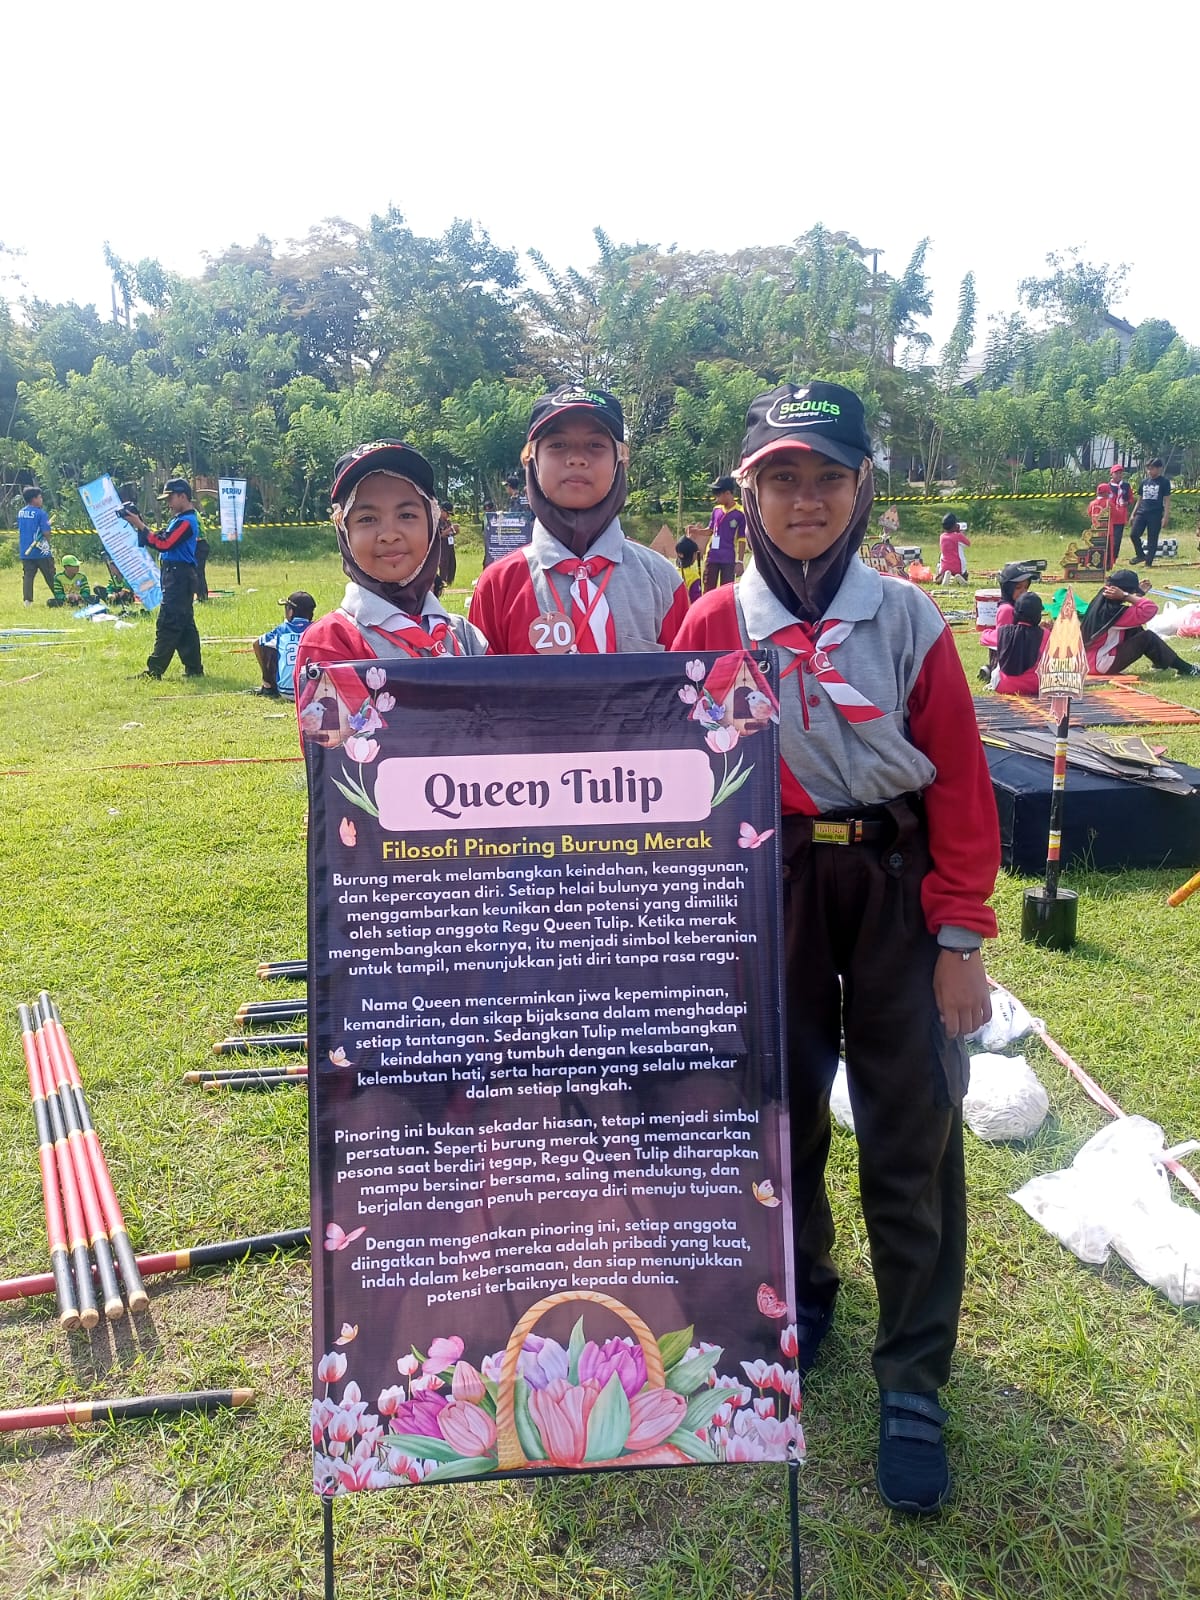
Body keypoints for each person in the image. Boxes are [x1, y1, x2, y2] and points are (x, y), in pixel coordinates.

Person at [673, 379, 999, 1517]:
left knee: (912, 1124)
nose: (804, 500)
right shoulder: (711, 624)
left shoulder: (906, 617)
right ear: (747, 493)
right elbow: (681, 781)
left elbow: (960, 784)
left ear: (863, 487)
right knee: (779, 1108)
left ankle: (913, 1372)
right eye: (782, 479)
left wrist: (960, 935)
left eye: (827, 477)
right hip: (773, 885)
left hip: (897, 882)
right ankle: (800, 1294)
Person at [468, 385, 687, 655]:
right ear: (532, 461)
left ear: (620, 461)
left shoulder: (662, 581)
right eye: (557, 445)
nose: (576, 459)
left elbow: (686, 678)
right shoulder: (498, 585)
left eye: (596, 445)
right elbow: (480, 681)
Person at [295, 440, 487, 684]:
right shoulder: (330, 642)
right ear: (344, 530)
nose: (389, 534)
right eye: (367, 518)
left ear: (431, 522)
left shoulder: (466, 638)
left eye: (406, 515)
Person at [123, 477, 204, 680]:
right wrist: (140, 525)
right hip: (175, 575)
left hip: (179, 577)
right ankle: (194, 669)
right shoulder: (178, 519)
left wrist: (140, 524)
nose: (168, 504)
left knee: (168, 622)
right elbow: (160, 539)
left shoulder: (186, 522)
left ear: (182, 496)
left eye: (170, 498)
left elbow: (164, 544)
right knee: (184, 624)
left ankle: (155, 670)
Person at [1080, 568, 1199, 677]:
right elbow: (1150, 609)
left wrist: (1135, 595)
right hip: (1098, 664)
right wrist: (1126, 596)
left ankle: (1160, 662)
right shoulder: (1114, 613)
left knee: (1135, 629)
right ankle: (1186, 669)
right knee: (1148, 637)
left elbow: (1134, 612)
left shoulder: (1102, 602)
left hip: (1088, 660)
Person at [978, 560, 1040, 682]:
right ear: (1008, 588)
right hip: (1011, 663)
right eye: (1018, 587)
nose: (1023, 591)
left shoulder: (1020, 607)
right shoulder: (1007, 610)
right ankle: (992, 669)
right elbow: (1004, 640)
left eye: (1026, 587)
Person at [254, 591, 316, 697]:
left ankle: (268, 685)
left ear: (290, 611)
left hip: (285, 691)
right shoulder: (316, 629)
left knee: (270, 647)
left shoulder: (282, 630)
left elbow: (256, 643)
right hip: (310, 692)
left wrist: (266, 674)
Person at [690, 476, 746, 592]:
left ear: (727, 493)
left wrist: (740, 562)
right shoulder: (716, 510)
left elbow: (741, 539)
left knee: (726, 591)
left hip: (728, 559)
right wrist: (696, 531)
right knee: (708, 589)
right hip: (712, 557)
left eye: (718, 495)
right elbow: (710, 530)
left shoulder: (740, 513)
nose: (716, 498)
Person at [994, 592, 1048, 695]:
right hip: (1035, 687)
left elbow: (983, 638)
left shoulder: (1003, 632)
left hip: (1004, 686)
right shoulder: (1045, 634)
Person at [1129, 460, 1172, 567]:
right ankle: (1140, 555)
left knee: (1152, 538)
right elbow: (1139, 499)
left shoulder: (1164, 482)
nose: (1149, 471)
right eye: (1148, 469)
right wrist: (1133, 514)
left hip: (1155, 514)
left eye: (1152, 469)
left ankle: (1148, 562)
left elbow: (1167, 500)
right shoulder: (1144, 482)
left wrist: (1166, 516)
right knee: (1133, 534)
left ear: (1159, 469)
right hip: (1142, 512)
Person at [18, 486, 55, 605]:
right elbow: (46, 532)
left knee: (28, 576)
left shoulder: (21, 512)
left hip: (25, 550)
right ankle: (60, 596)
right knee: (50, 574)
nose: (41, 499)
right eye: (40, 497)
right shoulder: (41, 513)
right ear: (34, 499)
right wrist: (49, 542)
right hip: (41, 551)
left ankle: (27, 601)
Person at [1107, 463, 1133, 562]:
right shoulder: (1108, 487)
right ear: (1112, 474)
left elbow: (1131, 498)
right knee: (1108, 539)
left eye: (1120, 473)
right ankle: (1107, 557)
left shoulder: (1126, 486)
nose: (1118, 475)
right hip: (1110, 517)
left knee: (1117, 540)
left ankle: (1114, 558)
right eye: (1116, 473)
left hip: (1121, 516)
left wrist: (1127, 503)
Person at [935, 513, 970, 585]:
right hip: (958, 567)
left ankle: (944, 577)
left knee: (940, 574)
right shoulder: (958, 536)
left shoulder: (942, 536)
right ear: (954, 526)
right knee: (964, 574)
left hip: (945, 566)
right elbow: (968, 543)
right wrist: (959, 532)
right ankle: (960, 578)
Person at [434, 504, 458, 597]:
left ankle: (446, 582)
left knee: (450, 565)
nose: (448, 516)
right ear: (442, 511)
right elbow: (438, 535)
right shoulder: (436, 521)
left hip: (449, 547)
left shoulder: (447, 522)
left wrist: (455, 531)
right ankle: (440, 585)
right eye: (447, 513)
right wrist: (450, 529)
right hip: (440, 547)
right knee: (442, 565)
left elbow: (450, 534)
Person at [674, 535, 703, 604]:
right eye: (695, 554)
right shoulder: (693, 576)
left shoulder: (673, 572)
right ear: (691, 555)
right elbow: (696, 601)